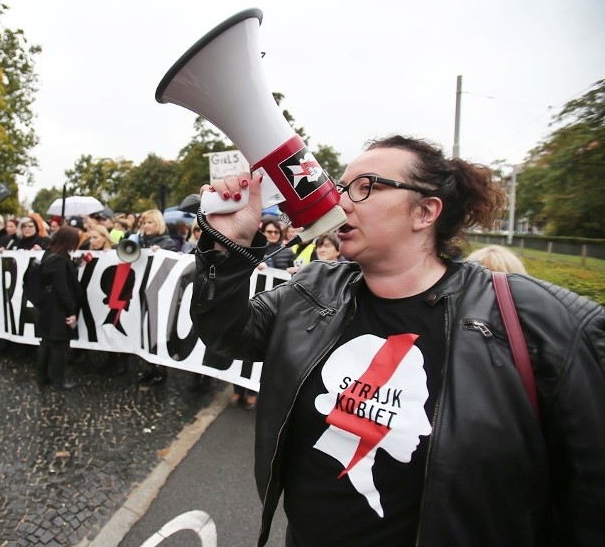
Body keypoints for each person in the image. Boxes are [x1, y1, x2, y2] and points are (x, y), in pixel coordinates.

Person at [190, 135, 604, 546]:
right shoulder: (314, 289)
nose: (340, 203)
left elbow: (588, 496)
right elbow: (227, 336)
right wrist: (228, 247)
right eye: (340, 188)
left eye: (365, 187)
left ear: (425, 211)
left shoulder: (532, 318)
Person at [34, 226, 84, 391]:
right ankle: (59, 381)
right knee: (59, 344)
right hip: (57, 307)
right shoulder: (59, 259)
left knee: (46, 342)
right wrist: (71, 311)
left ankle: (42, 377)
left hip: (48, 305)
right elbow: (62, 288)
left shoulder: (50, 254)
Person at [136, 209, 178, 386]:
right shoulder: (144, 242)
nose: (146, 226)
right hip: (144, 292)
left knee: (158, 332)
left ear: (158, 224)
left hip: (159, 295)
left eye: (150, 222)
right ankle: (149, 368)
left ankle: (161, 370)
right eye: (144, 222)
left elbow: (170, 270)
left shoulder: (167, 243)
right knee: (146, 331)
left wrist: (160, 253)